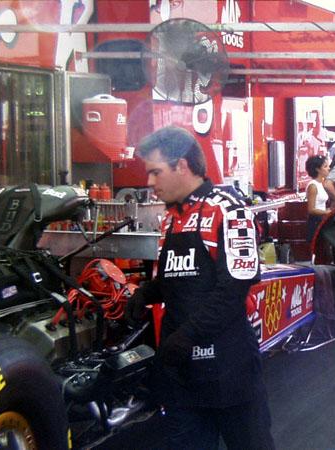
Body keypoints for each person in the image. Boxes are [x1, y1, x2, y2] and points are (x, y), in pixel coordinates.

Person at [124, 127, 275, 449]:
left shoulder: (229, 210)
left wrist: (186, 336)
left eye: (155, 172)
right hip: (182, 371)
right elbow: (178, 278)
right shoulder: (170, 218)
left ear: (181, 165)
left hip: (229, 364)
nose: (149, 182)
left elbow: (233, 289)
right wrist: (146, 293)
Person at [305, 155, 331, 241]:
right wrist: (326, 212)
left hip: (321, 219)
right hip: (315, 221)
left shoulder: (321, 183)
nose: (329, 168)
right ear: (317, 169)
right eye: (325, 166)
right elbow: (311, 209)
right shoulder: (313, 186)